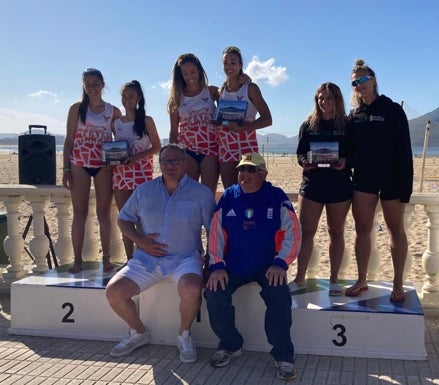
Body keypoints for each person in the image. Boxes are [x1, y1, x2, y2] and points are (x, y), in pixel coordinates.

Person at [105, 144, 216, 363]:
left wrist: (211, 263)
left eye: (175, 161)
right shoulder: (144, 190)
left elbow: (213, 230)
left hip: (185, 258)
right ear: (160, 164)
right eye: (165, 161)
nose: (170, 165)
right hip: (147, 259)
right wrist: (140, 242)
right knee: (114, 292)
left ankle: (184, 336)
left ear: (185, 164)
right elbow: (123, 220)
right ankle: (138, 333)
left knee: (192, 289)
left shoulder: (201, 193)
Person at [204, 152, 301, 381]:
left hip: (268, 266)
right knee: (214, 292)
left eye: (251, 170)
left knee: (279, 295)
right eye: (241, 170)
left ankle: (283, 355)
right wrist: (217, 265)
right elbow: (215, 234)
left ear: (263, 174)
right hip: (234, 265)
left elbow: (294, 234)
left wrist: (280, 263)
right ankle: (230, 344)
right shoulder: (228, 196)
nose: (245, 174)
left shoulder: (276, 196)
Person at [345, 59, 413, 301]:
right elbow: (348, 150)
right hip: (364, 179)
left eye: (363, 79)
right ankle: (361, 280)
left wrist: (407, 186)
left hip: (393, 179)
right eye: (355, 82)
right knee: (362, 228)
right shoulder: (354, 116)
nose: (359, 85)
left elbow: (405, 150)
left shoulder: (393, 109)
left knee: (396, 230)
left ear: (373, 80)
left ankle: (398, 284)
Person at [289, 82, 352, 296]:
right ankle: (299, 279)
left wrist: (345, 161)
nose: (324, 102)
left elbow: (353, 154)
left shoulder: (346, 124)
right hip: (312, 185)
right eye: (320, 98)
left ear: (337, 100)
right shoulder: (308, 124)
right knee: (306, 233)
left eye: (329, 98)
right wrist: (304, 161)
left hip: (339, 186)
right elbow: (299, 154)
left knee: (336, 232)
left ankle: (334, 280)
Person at [62, 68, 122, 273]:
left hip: (103, 166)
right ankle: (77, 260)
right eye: (88, 84)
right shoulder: (76, 109)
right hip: (79, 163)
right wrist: (66, 169)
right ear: (83, 86)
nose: (92, 88)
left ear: (103, 85)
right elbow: (69, 141)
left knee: (103, 214)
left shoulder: (113, 111)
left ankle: (106, 259)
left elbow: (120, 140)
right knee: (80, 213)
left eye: (96, 83)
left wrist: (117, 160)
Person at [113, 80, 161, 260]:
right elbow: (113, 149)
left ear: (138, 98)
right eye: (124, 96)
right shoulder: (116, 123)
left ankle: (145, 256)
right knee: (125, 218)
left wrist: (135, 158)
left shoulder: (147, 121)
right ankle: (129, 258)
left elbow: (157, 147)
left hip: (142, 175)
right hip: (120, 176)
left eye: (131, 96)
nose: (127, 100)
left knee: (142, 218)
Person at [215, 46, 272, 189]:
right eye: (226, 63)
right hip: (226, 147)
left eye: (233, 62)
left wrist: (242, 128)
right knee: (231, 192)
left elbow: (267, 119)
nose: (229, 66)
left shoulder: (250, 88)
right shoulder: (221, 90)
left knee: (250, 189)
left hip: (246, 145)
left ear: (241, 65)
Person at [167, 53, 221, 196]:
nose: (189, 76)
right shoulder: (176, 99)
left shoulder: (212, 92)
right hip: (187, 151)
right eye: (185, 73)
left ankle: (209, 220)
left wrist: (244, 80)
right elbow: (173, 132)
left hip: (210, 150)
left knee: (208, 195)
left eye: (192, 71)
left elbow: (232, 95)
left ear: (199, 71)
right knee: (187, 194)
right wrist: (172, 157)